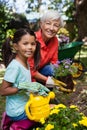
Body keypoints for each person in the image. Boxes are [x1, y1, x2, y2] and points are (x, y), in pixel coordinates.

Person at [0, 28, 50, 130]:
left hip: (25, 105)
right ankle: (17, 126)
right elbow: (3, 91)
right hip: (17, 111)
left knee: (49, 104)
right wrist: (22, 87)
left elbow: (26, 85)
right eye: (25, 43)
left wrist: (33, 89)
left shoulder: (25, 63)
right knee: (51, 109)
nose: (30, 47)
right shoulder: (15, 66)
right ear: (15, 46)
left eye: (33, 44)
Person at [28, 9, 64, 86]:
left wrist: (63, 76)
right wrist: (48, 80)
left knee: (52, 70)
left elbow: (54, 62)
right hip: (24, 74)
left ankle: (48, 92)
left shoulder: (55, 41)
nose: (51, 28)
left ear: (58, 28)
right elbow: (29, 70)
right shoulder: (32, 40)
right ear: (41, 24)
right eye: (48, 23)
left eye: (56, 25)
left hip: (39, 70)